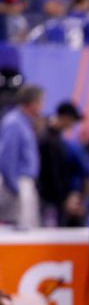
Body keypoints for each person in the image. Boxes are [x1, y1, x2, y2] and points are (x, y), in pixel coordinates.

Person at [0, 84, 43, 228]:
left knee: (30, 228)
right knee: (25, 232)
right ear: (32, 103)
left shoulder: (25, 123)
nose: (42, 106)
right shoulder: (14, 123)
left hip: (25, 183)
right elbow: (7, 158)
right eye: (40, 102)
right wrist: (15, 188)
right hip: (19, 183)